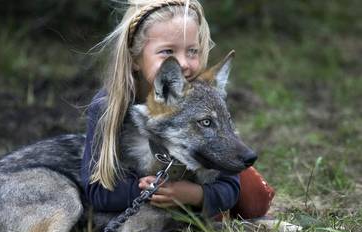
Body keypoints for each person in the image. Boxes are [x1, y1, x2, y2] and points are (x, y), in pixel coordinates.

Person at [81, 0, 274, 220]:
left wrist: (195, 195)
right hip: (149, 190)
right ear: (135, 58)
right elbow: (97, 191)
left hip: (199, 171)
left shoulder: (204, 92)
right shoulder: (107, 106)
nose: (183, 62)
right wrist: (157, 190)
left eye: (192, 51)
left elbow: (228, 183)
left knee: (253, 197)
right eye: (167, 51)